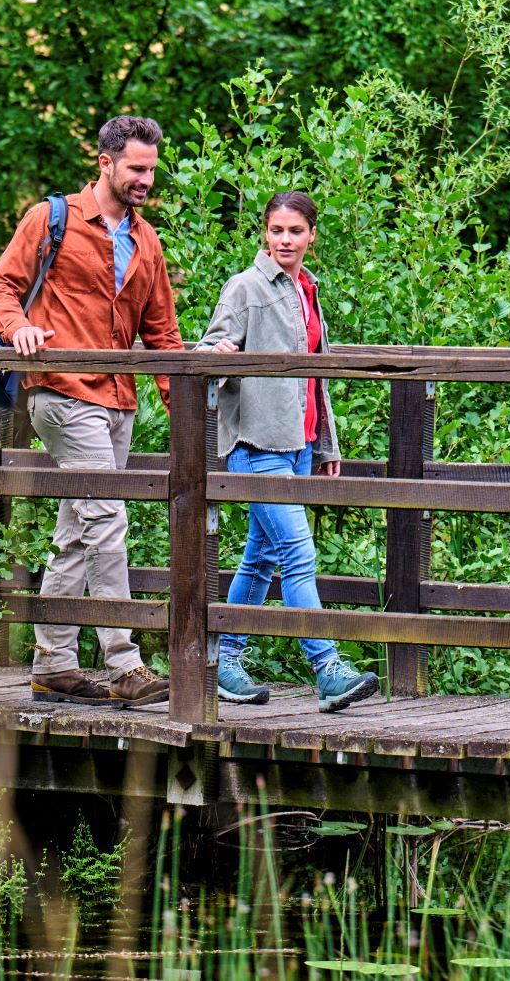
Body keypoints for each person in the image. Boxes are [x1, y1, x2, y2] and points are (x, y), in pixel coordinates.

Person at [0, 115, 181, 707]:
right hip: (63, 394)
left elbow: (162, 334)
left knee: (76, 534)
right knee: (107, 520)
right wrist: (18, 330)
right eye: (136, 168)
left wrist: (182, 407)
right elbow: (0, 289)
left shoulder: (147, 241)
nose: (146, 178)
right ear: (106, 163)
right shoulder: (52, 219)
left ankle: (53, 663)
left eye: (151, 168)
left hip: (120, 399)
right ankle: (125, 664)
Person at [197, 191, 380, 713]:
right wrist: (217, 352)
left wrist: (326, 444)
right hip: (256, 443)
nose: (284, 240)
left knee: (260, 559)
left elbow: (314, 376)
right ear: (264, 232)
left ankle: (224, 663)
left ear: (311, 236)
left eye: (294, 231)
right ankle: (328, 670)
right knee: (298, 555)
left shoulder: (307, 289)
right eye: (275, 230)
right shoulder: (246, 287)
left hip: (298, 446)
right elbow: (206, 351)